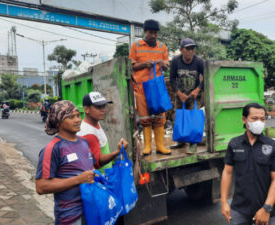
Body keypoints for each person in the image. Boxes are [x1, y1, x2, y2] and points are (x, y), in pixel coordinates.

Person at [220, 103, 275, 225]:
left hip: (268, 212)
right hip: (239, 210)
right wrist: (224, 202)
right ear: (244, 120)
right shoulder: (234, 144)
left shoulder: (273, 146)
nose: (259, 122)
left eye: (262, 119)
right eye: (254, 119)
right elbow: (227, 172)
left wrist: (266, 208)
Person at [35, 100, 95, 225]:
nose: (77, 120)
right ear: (58, 121)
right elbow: (41, 187)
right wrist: (78, 179)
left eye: (78, 115)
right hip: (71, 217)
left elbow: (91, 167)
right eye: (71, 117)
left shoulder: (84, 142)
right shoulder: (52, 149)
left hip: (92, 211)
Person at [129, 19, 171, 155]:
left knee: (160, 117)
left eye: (155, 33)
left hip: (157, 88)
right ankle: (147, 147)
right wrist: (144, 64)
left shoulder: (162, 47)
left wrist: (161, 63)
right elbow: (132, 66)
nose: (153, 35)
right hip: (141, 88)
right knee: (144, 118)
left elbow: (166, 64)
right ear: (145, 32)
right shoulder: (136, 45)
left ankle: (160, 146)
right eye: (150, 32)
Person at [77, 91, 129, 174]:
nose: (103, 110)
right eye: (98, 107)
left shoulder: (94, 123)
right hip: (100, 179)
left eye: (104, 106)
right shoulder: (89, 133)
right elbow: (97, 162)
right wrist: (118, 152)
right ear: (86, 109)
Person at [169, 38, 204, 154]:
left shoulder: (199, 61)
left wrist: (198, 89)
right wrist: (179, 93)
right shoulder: (175, 61)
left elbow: (206, 77)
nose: (190, 51)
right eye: (187, 48)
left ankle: (193, 143)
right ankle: (181, 141)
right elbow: (172, 79)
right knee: (178, 117)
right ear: (181, 50)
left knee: (193, 119)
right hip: (180, 95)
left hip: (194, 96)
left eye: (192, 49)